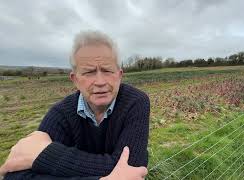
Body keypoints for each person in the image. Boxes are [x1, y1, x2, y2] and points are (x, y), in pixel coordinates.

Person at [0, 30, 150, 179]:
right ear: (75, 79)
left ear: (119, 75)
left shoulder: (136, 103)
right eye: (89, 72)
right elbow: (15, 176)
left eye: (107, 70)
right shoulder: (61, 114)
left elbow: (132, 169)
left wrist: (45, 155)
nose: (100, 82)